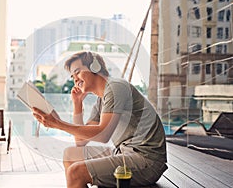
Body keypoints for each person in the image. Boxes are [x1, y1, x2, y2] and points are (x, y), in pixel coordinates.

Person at [32, 51, 167, 187]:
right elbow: (80, 142)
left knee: (76, 172)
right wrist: (77, 104)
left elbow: (103, 134)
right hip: (123, 151)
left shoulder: (116, 87)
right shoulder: (101, 100)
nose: (75, 79)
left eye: (78, 72)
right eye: (73, 76)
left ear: (94, 67)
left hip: (147, 160)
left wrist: (58, 124)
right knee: (70, 154)